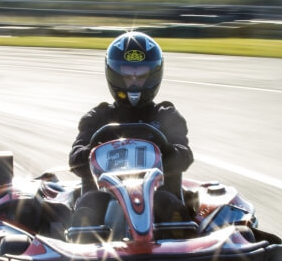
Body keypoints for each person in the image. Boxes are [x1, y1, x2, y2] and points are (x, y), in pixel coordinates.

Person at [69, 31, 193, 227]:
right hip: (104, 200)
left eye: (141, 75)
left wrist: (166, 151)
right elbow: (75, 160)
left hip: (157, 196)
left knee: (167, 204)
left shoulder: (166, 115)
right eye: (127, 75)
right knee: (89, 205)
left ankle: (177, 243)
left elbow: (185, 156)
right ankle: (84, 246)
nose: (134, 81)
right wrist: (92, 152)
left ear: (154, 75)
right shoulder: (98, 118)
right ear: (114, 75)